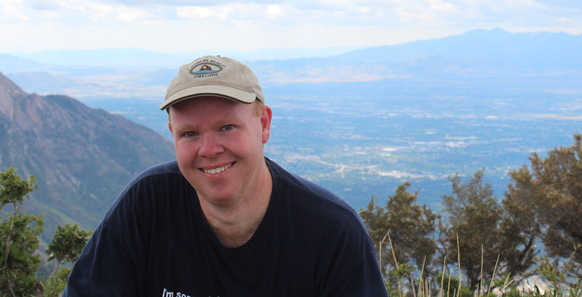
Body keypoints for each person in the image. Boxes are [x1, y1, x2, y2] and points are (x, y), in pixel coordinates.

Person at [64, 55, 388, 297]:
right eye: (189, 133)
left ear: (263, 124)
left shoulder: (331, 232)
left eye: (227, 127)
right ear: (171, 135)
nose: (209, 149)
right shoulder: (146, 205)